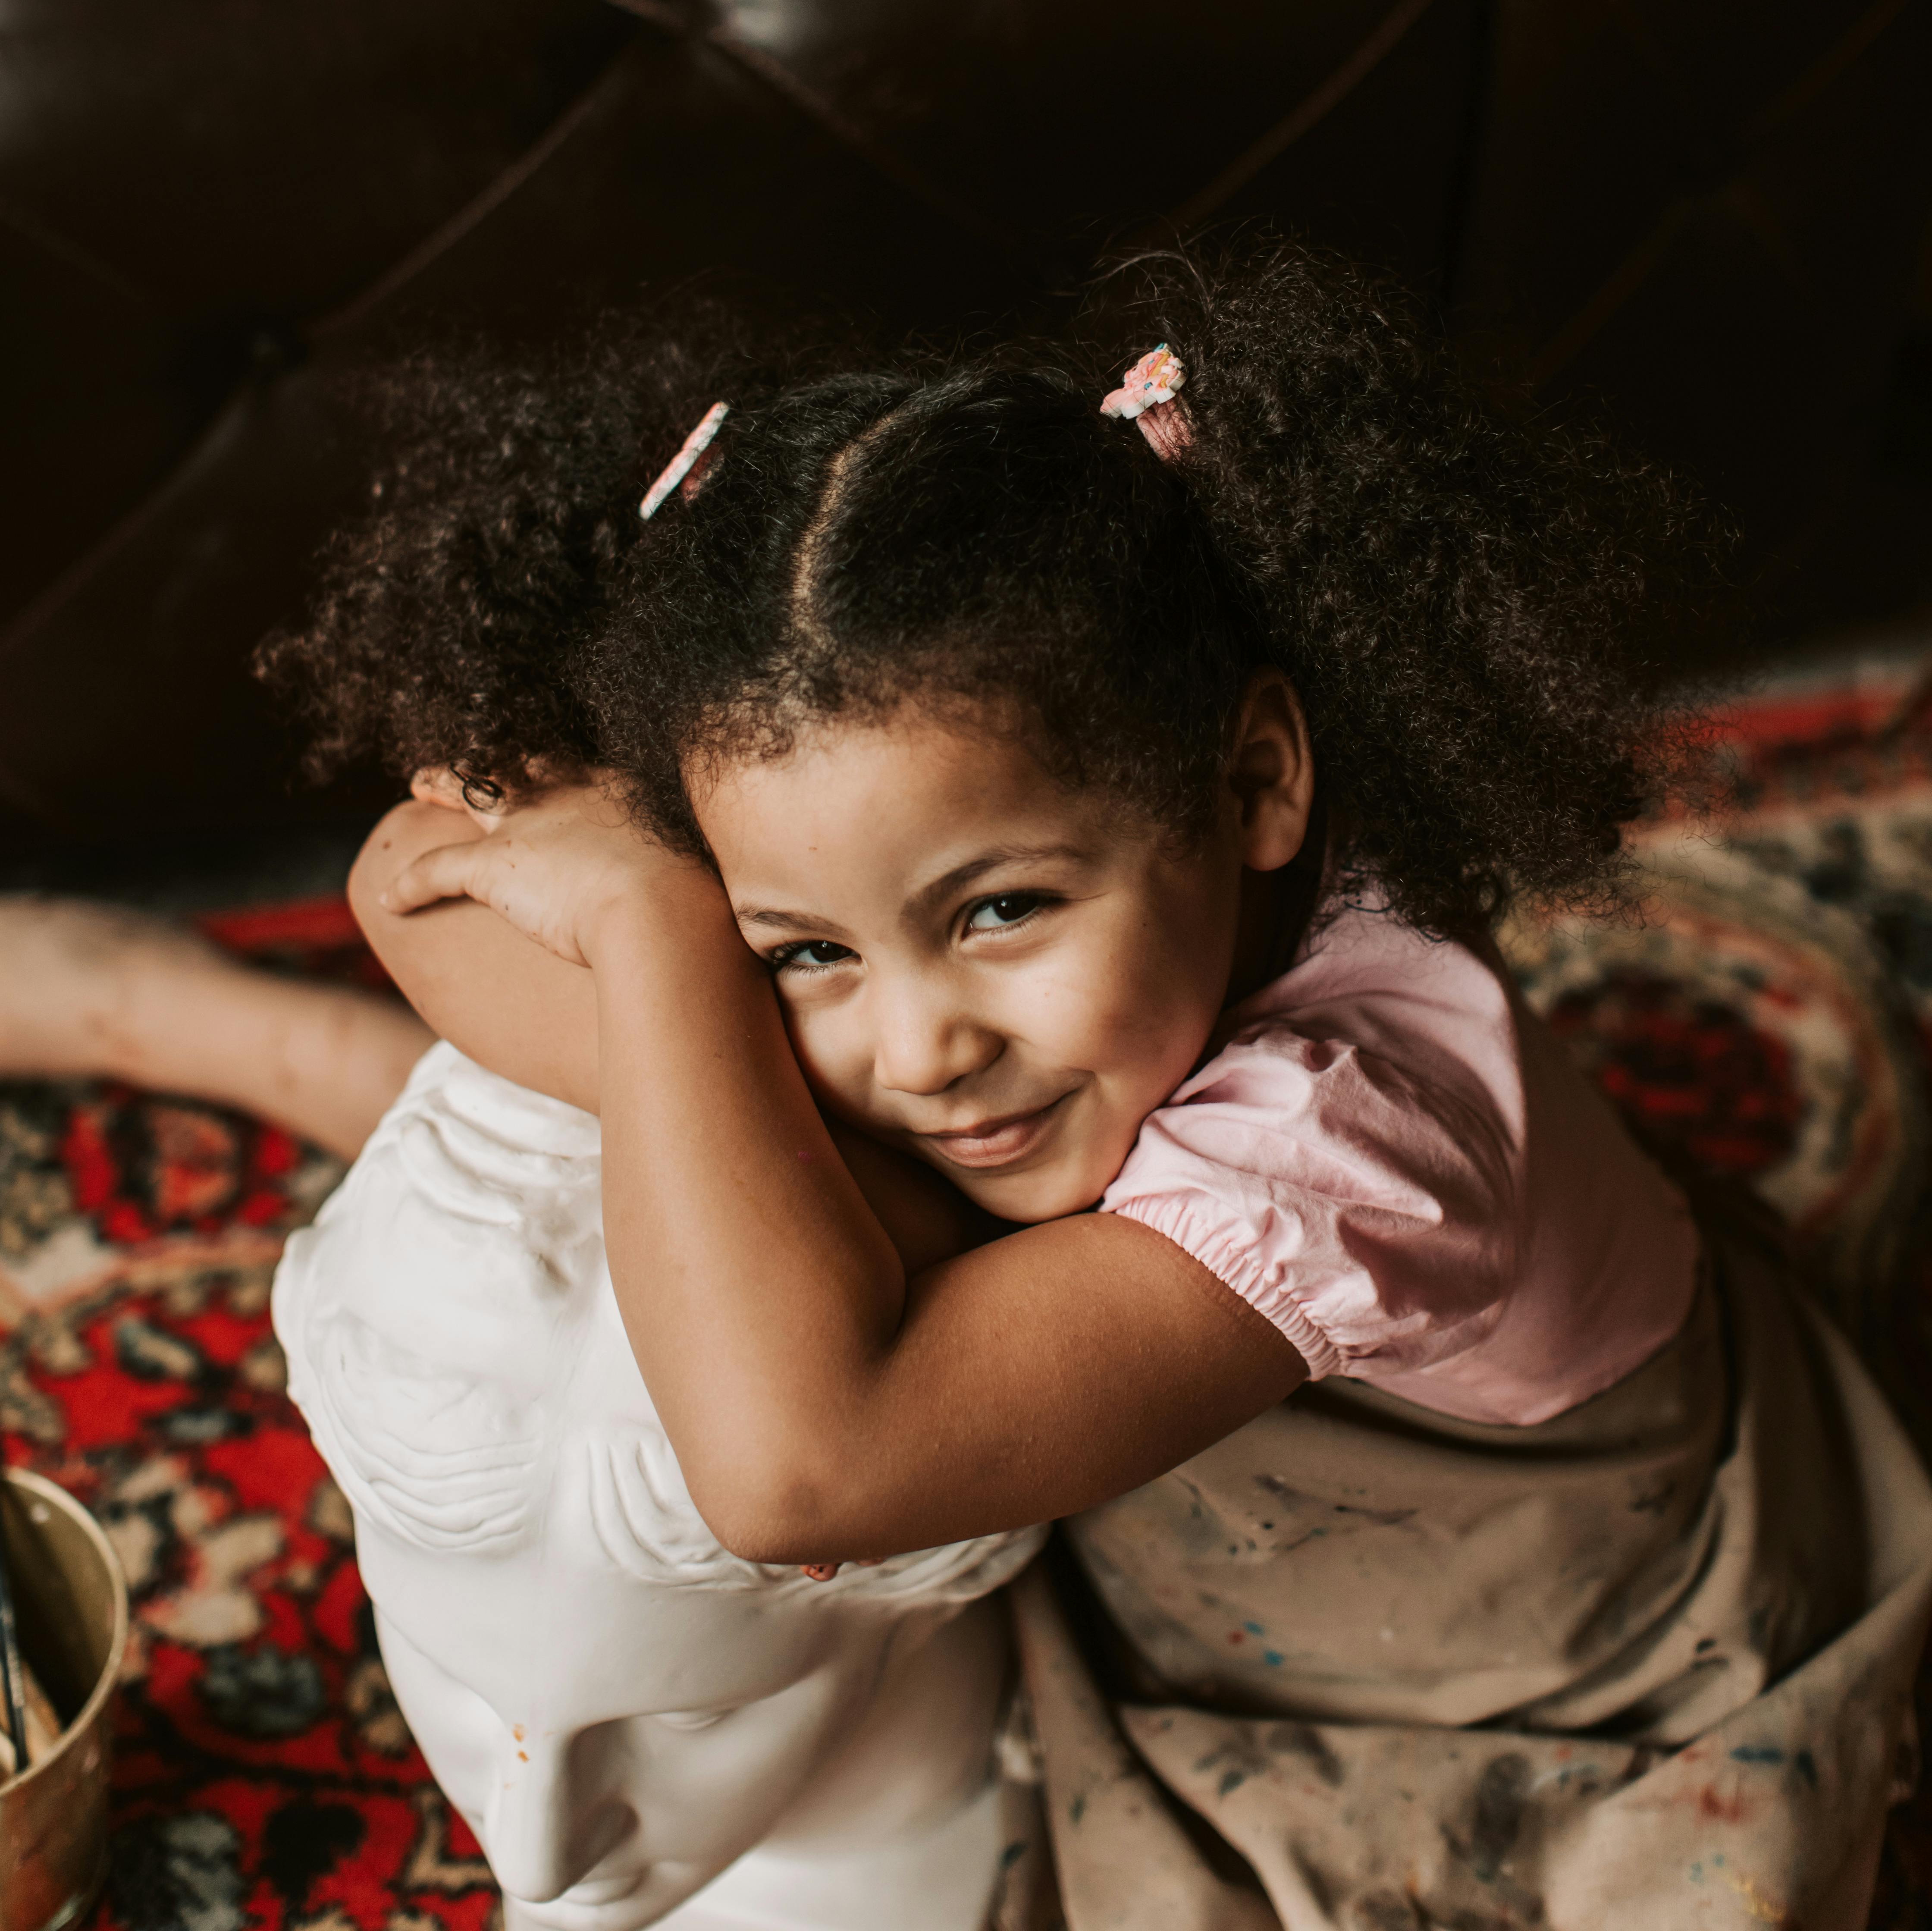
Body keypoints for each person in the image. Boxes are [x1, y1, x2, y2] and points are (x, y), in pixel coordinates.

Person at [6, 240, 1928, 1925]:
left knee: (766, 1185)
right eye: (804, 945)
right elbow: (412, 881)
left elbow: (795, 1470)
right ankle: (204, 1022)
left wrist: (671, 936)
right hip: (1228, 1468)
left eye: (1001, 904)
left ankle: (263, 1033)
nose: (917, 1041)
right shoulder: (1059, 982)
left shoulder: (1355, 1133)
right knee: (731, 1158)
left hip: (1527, 1689)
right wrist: (701, 938)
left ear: (1259, 778)